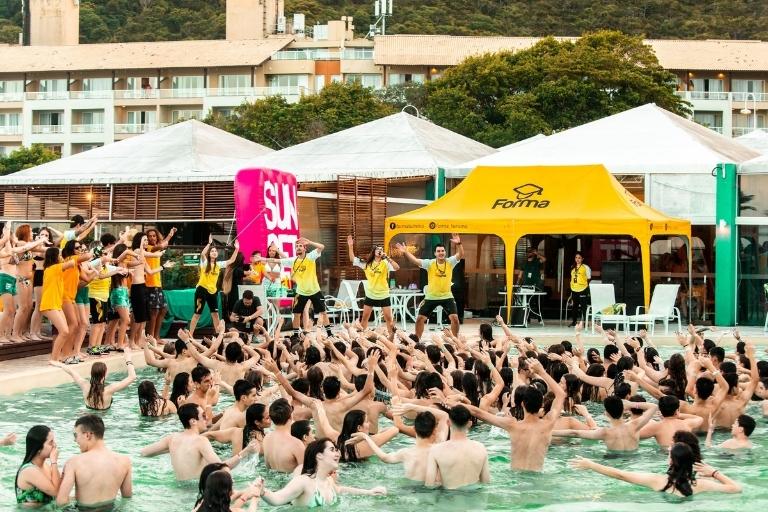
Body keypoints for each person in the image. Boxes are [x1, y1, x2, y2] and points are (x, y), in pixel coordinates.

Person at [570, 442, 741, 495]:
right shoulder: (702, 484)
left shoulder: (658, 481)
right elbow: (736, 488)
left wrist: (591, 464)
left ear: (672, 462)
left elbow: (620, 475)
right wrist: (714, 472)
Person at [140, 403, 257, 481]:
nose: (207, 418)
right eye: (203, 415)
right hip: (195, 492)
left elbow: (144, 452)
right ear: (193, 421)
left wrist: (170, 449)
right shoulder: (201, 441)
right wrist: (246, 451)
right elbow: (221, 467)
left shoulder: (172, 439)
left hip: (178, 491)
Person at [260, 438, 386, 507]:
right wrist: (263, 491)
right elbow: (277, 499)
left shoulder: (328, 480)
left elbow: (340, 490)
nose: (337, 454)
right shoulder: (304, 481)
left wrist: (369, 492)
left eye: (337, 450)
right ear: (319, 455)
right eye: (332, 450)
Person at [353, 403, 449, 482]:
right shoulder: (440, 445)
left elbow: (384, 457)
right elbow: (444, 415)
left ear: (414, 429)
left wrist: (366, 437)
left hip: (411, 492)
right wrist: (413, 406)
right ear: (434, 431)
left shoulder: (406, 453)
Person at [395, 233, 464, 339]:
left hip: (447, 296)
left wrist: (459, 243)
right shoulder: (430, 263)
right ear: (435, 253)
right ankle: (417, 340)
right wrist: (406, 252)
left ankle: (455, 341)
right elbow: (415, 261)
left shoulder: (450, 262)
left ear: (445, 252)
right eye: (438, 251)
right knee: (420, 319)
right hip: (431, 297)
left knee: (455, 318)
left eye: (442, 251)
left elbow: (460, 254)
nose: (441, 253)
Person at [56, 415, 133, 508]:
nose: (75, 440)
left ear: (87, 435)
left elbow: (61, 501)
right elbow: (127, 497)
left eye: (76, 435)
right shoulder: (124, 461)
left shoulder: (74, 462)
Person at [270, 237, 330, 335]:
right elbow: (284, 260)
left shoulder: (310, 257)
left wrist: (310, 241)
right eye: (297, 246)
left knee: (313, 310)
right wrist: (273, 253)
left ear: (305, 248)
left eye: (300, 246)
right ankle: (297, 333)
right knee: (298, 312)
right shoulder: (294, 261)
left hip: (313, 289)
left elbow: (322, 247)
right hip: (300, 290)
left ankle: (318, 331)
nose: (298, 247)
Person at [553, 396, 658, 451]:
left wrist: (551, 431)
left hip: (613, 462)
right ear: (624, 410)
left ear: (606, 413)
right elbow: (653, 406)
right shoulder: (635, 426)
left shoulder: (605, 432)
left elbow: (575, 433)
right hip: (634, 460)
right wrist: (631, 404)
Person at [425, 404, 490, 489]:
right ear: (469, 424)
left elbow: (429, 486)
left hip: (449, 500)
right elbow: (486, 483)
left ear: (448, 422)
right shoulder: (481, 448)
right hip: (475, 499)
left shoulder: (436, 450)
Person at [50, 348, 136, 410]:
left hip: (88, 417)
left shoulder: (85, 385)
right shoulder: (110, 389)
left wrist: (59, 364)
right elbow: (132, 377)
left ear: (91, 373)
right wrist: (128, 358)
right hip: (103, 420)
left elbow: (71, 372)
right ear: (105, 374)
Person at [189, 235, 240, 337]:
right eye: (212, 251)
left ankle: (218, 335)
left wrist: (237, 249)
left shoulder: (219, 265)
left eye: (215, 251)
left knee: (215, 315)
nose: (214, 252)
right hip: (202, 290)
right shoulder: (204, 263)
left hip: (212, 292)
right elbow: (203, 253)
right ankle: (190, 335)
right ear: (209, 254)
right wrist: (209, 243)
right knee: (197, 314)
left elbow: (231, 261)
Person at [347, 235, 400, 334]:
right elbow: (352, 259)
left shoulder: (385, 263)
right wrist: (350, 246)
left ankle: (391, 337)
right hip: (371, 294)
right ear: (374, 252)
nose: (380, 251)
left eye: (381, 249)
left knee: (389, 318)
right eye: (378, 249)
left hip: (384, 294)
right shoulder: (367, 263)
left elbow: (397, 267)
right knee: (365, 317)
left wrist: (387, 257)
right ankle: (363, 336)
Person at [15, 425, 60, 506]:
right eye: (51, 442)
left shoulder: (45, 466)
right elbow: (56, 492)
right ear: (39, 448)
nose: (55, 445)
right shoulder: (29, 470)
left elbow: (59, 489)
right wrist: (54, 461)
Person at [145, 227, 177, 341]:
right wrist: (169, 236)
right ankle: (152, 337)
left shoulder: (156, 248)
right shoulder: (149, 248)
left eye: (154, 236)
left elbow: (163, 245)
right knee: (154, 311)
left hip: (157, 283)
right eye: (149, 236)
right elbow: (162, 245)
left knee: (163, 309)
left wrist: (169, 235)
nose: (152, 238)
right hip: (150, 284)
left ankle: (156, 336)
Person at [261, 398, 307, 473]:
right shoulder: (296, 444)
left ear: (272, 419)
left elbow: (268, 468)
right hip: (291, 483)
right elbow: (305, 474)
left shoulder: (266, 438)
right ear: (291, 416)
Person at [638, 395, 703, 447]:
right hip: (687, 454)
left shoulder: (656, 427)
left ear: (660, 411)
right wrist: (679, 415)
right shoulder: (686, 423)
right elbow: (700, 418)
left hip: (666, 456)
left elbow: (633, 434)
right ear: (677, 410)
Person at [222, 251, 246, 322]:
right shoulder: (238, 270)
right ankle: (236, 323)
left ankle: (232, 321)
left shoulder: (231, 268)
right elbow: (247, 274)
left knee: (232, 307)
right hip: (237, 291)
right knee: (236, 308)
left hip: (231, 291)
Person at [568, 251, 591, 327]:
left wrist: (584, 285)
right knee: (574, 306)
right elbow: (571, 278)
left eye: (579, 258)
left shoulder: (585, 267)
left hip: (583, 289)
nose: (577, 259)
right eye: (576, 258)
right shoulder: (572, 267)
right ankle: (574, 321)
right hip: (574, 289)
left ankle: (585, 322)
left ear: (582, 259)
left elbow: (588, 278)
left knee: (583, 306)